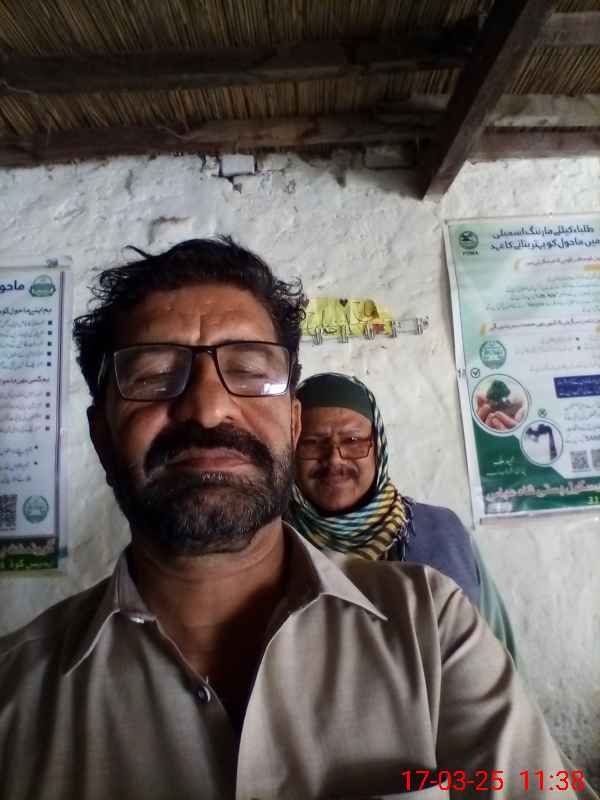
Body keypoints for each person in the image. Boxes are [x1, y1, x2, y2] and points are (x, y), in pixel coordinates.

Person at [0, 237, 596, 800]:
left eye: (250, 371)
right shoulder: (15, 692)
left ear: (290, 422)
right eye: (155, 375)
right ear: (101, 436)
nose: (208, 407)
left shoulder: (430, 626)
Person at [289, 371, 518, 661]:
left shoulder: (443, 532)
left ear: (378, 449)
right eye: (312, 442)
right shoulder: (270, 544)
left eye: (353, 440)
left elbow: (496, 648)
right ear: (290, 451)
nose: (334, 458)